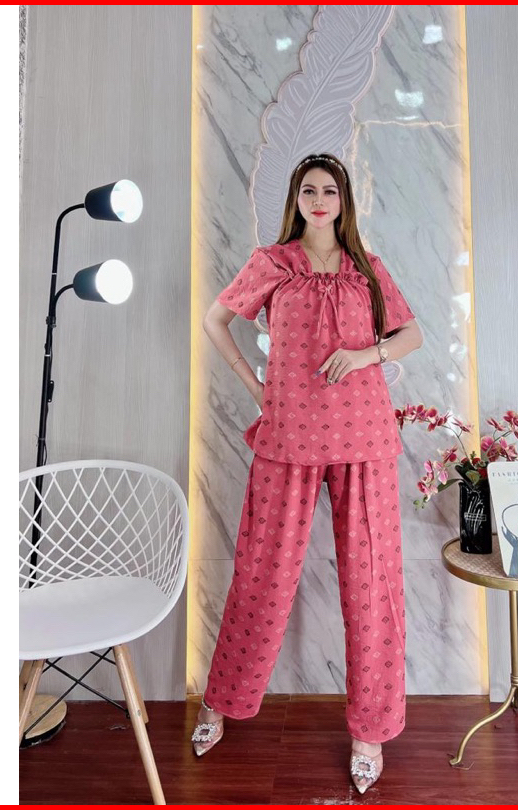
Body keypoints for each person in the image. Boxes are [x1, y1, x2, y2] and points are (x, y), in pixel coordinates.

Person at [195, 153, 423, 793]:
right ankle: (220, 702)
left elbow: (411, 335)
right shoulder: (273, 264)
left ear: (344, 201)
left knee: (371, 583)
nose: (319, 200)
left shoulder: (366, 269)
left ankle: (370, 730)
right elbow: (216, 320)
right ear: (296, 200)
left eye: (330, 191)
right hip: (288, 434)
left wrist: (364, 354)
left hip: (365, 437)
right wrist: (254, 385)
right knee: (261, 575)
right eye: (308, 191)